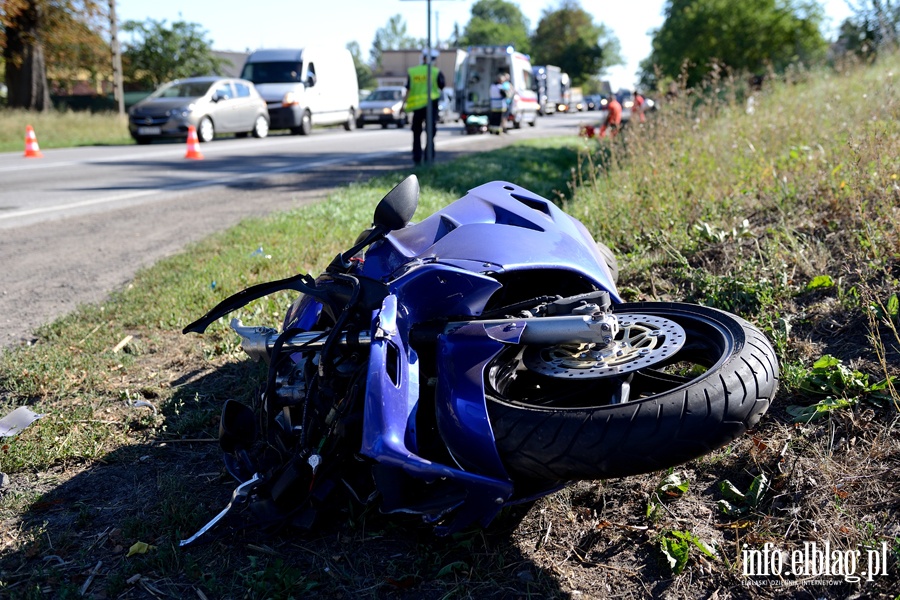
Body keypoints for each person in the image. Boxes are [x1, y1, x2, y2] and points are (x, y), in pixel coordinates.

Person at [405, 48, 445, 165]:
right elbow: (442, 86)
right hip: (431, 106)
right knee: (430, 133)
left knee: (416, 133)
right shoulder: (435, 72)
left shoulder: (413, 71)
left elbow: (407, 89)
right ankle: (429, 158)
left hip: (417, 107)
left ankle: (417, 158)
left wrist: (404, 105)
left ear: (422, 58)